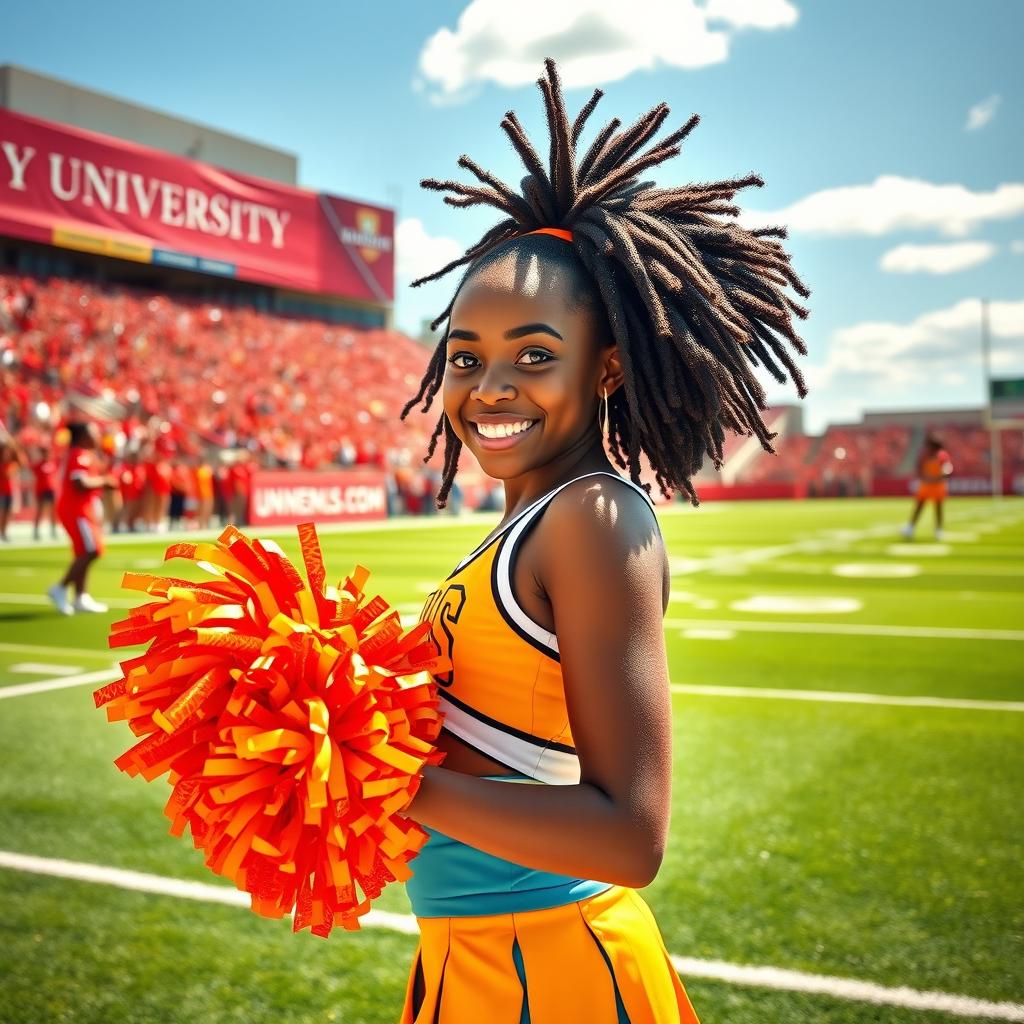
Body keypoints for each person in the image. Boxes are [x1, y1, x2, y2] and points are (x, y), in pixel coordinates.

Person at [395, 60, 809, 1023]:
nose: (490, 386)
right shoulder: (520, 518)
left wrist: (388, 781)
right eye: (466, 357)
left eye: (535, 355)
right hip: (468, 959)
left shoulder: (592, 518)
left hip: (553, 968)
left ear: (611, 367)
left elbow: (631, 838)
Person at [47, 421, 118, 615]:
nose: (98, 436)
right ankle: (60, 588)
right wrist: (104, 482)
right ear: (84, 436)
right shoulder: (79, 454)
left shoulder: (84, 455)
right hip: (76, 509)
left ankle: (80, 596)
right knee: (91, 550)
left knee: (84, 552)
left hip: (81, 508)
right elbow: (79, 483)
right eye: (94, 433)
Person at [901, 435, 953, 540]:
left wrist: (940, 477)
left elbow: (948, 468)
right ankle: (910, 527)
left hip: (938, 485)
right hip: (926, 485)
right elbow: (919, 468)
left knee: (938, 508)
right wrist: (924, 477)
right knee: (919, 506)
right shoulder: (924, 455)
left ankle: (938, 530)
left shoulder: (942, 455)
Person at [0, 428, 29, 542]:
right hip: (1, 492)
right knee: (2, 512)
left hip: (10, 491)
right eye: (5, 452)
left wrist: (15, 447)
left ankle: (4, 532)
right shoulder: (4, 465)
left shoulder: (12, 463)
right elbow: (8, 474)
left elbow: (23, 462)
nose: (7, 454)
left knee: (7, 513)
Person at [29, 442, 59, 541]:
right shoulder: (38, 465)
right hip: (41, 490)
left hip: (51, 490)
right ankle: (36, 531)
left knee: (53, 511)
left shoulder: (53, 463)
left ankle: (53, 530)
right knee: (40, 511)